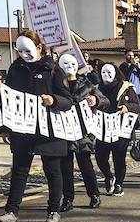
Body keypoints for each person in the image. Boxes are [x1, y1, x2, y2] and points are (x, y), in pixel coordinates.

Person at [0, 30, 73, 222]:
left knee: (53, 170)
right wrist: (5, 127)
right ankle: (11, 212)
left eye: (27, 50)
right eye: (19, 51)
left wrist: (53, 99)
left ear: (39, 47)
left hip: (49, 130)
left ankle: (53, 210)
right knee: (20, 171)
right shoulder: (15, 68)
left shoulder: (53, 69)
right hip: (23, 128)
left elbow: (68, 101)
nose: (24, 55)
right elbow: (8, 100)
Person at [56, 51, 104, 212]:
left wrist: (95, 100)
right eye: (66, 64)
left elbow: (105, 100)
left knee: (85, 165)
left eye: (73, 64)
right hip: (62, 130)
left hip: (82, 132)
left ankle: (94, 195)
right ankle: (68, 199)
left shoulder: (87, 84)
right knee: (65, 167)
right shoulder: (55, 84)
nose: (70, 67)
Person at [92, 62, 133, 196]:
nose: (107, 75)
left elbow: (137, 105)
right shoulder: (96, 89)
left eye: (109, 72)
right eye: (104, 72)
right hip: (102, 128)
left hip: (120, 129)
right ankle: (108, 175)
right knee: (100, 157)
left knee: (119, 158)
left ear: (115, 74)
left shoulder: (126, 88)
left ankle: (119, 184)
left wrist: (128, 108)